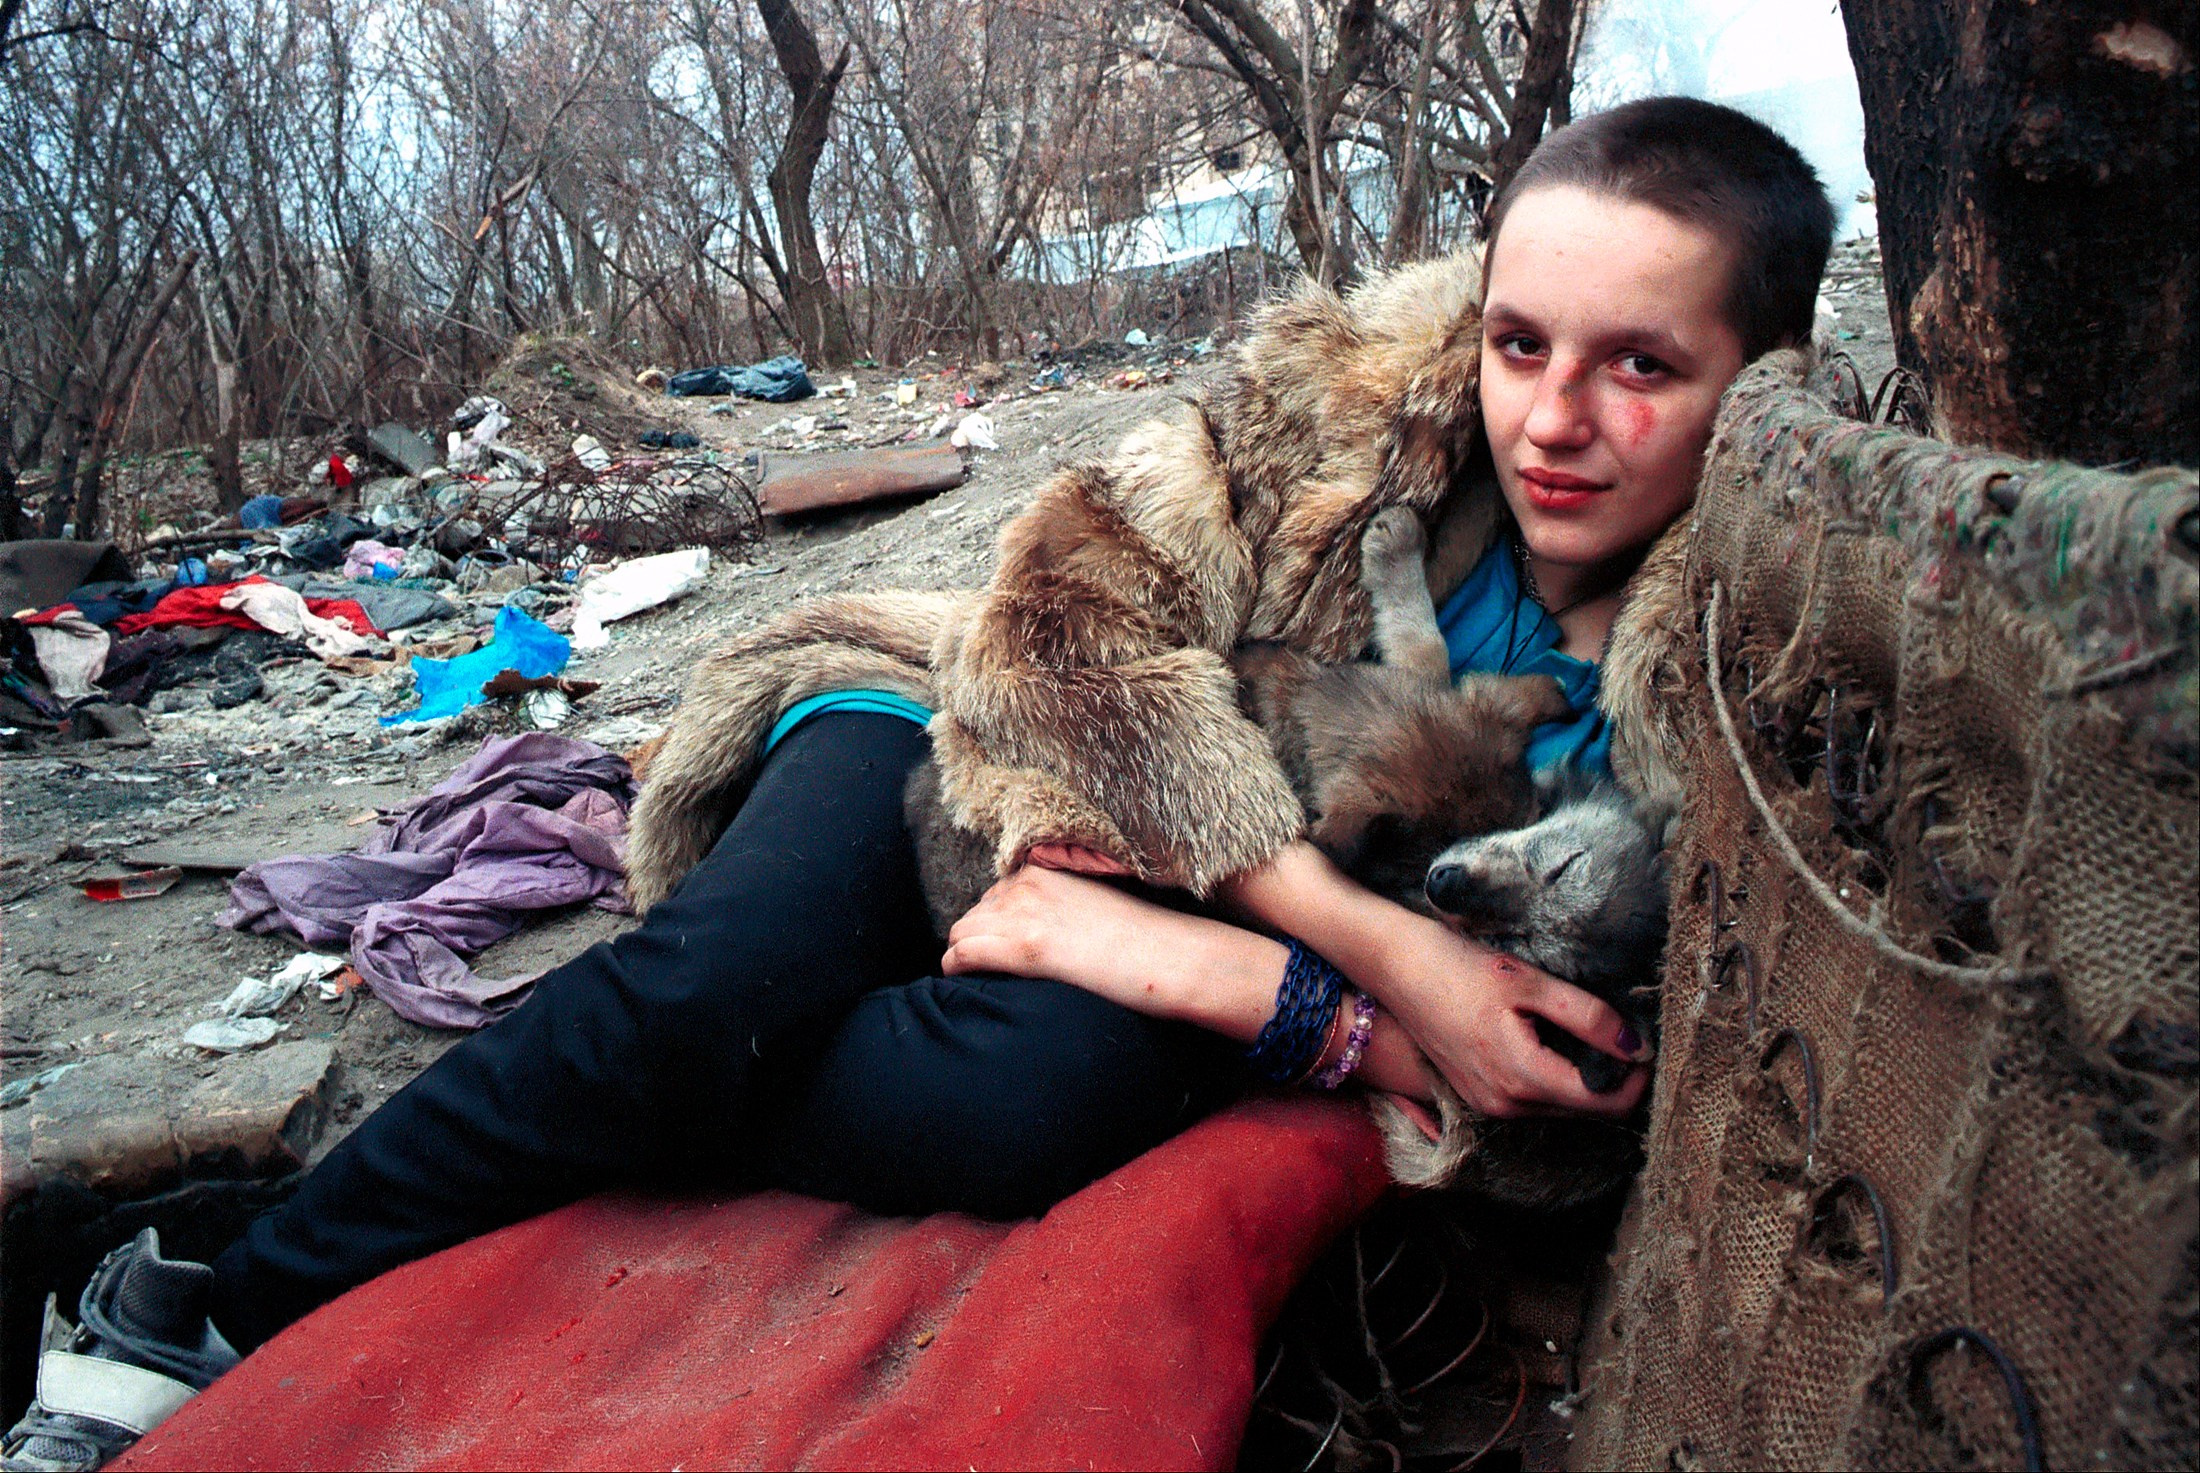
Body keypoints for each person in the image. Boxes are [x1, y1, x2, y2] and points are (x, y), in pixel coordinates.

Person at [2, 96, 1833, 1473]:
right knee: (724, 979)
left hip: (1106, 915)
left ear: (1760, 388)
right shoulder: (1348, 415)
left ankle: (603, 1073)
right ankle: (205, 1296)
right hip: (927, 714)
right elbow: (1048, 640)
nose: (1554, 419)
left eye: (1641, 368)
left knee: (1047, 1098)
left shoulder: (1733, 690)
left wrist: (1222, 978)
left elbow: (1565, 1083)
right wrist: (1364, 952)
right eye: (1524, 343)